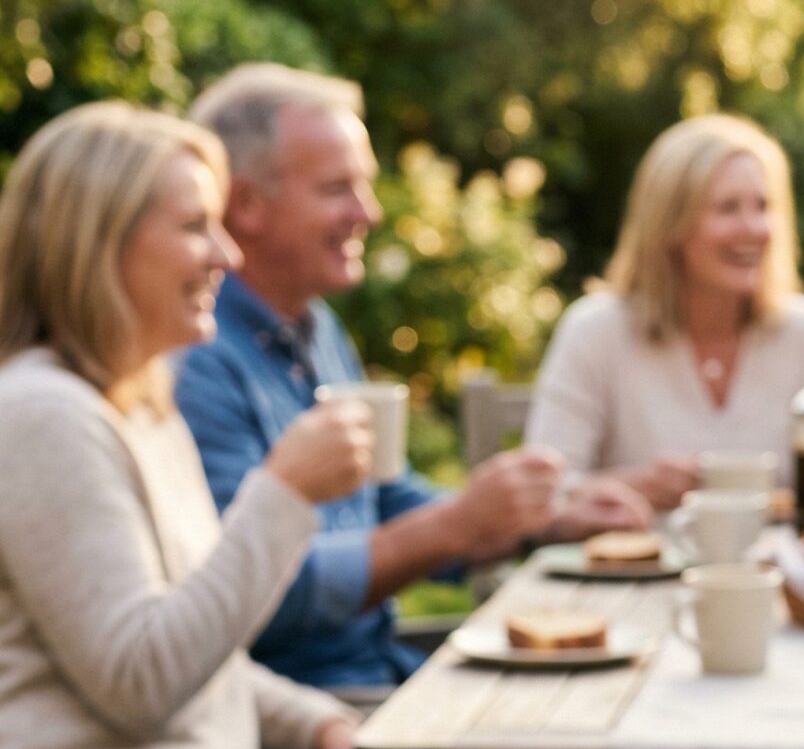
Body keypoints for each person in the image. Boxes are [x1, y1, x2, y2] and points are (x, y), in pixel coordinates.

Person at [0, 102, 420, 749]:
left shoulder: (136, 402)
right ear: (95, 247)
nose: (228, 254)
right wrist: (284, 490)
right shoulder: (40, 418)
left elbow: (201, 658)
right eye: (194, 227)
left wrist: (322, 725)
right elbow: (141, 679)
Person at [177, 64, 646, 693]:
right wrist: (456, 526)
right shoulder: (197, 360)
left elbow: (385, 493)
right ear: (248, 205)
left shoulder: (316, 327)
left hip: (382, 669)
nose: (368, 212)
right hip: (306, 705)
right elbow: (255, 596)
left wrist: (537, 519)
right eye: (338, 188)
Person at [525, 115, 804, 512]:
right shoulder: (595, 330)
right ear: (669, 224)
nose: (755, 228)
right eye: (728, 208)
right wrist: (636, 487)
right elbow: (539, 494)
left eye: (763, 206)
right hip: (634, 570)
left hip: (771, 572)